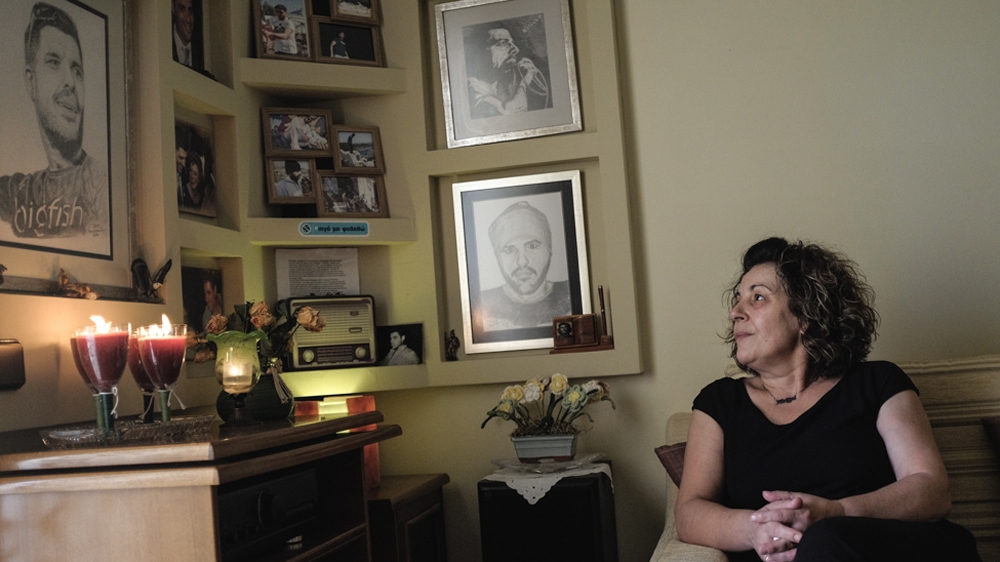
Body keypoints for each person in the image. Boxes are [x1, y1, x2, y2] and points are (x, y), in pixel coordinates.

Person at [675, 237, 981, 562]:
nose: (735, 312)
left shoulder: (876, 383)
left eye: (758, 297)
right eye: (738, 299)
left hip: (896, 551)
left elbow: (932, 491)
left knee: (824, 540)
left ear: (806, 314)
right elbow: (689, 512)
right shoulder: (720, 403)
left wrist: (836, 511)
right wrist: (755, 529)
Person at [0, 2, 108, 240]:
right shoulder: (22, 192)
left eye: (77, 70)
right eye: (54, 62)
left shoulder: (102, 182)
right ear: (31, 82)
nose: (70, 81)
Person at [477, 201, 571, 332]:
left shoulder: (569, 295)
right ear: (498, 258)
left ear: (549, 250)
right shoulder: (483, 302)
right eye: (509, 250)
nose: (522, 261)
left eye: (532, 246)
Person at [466, 26, 551, 119]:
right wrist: (525, 82)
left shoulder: (500, 84)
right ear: (481, 51)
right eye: (503, 43)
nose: (515, 49)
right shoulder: (472, 86)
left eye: (512, 43)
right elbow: (508, 113)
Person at [171, 0, 195, 67]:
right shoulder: (164, 44)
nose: (188, 19)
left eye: (190, 10)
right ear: (173, 8)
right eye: (182, 9)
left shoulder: (200, 49)